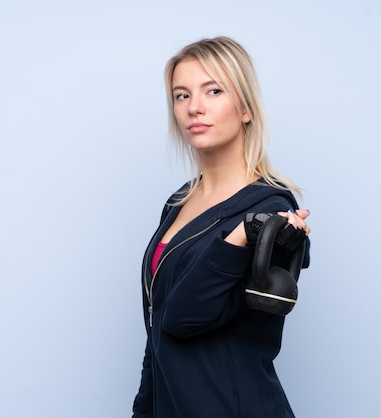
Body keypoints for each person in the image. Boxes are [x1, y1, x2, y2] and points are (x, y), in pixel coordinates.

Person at [132, 36, 312, 418]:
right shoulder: (179, 203)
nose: (194, 107)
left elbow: (184, 318)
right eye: (181, 96)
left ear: (245, 107)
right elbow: (158, 328)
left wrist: (241, 235)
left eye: (213, 91)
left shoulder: (272, 212)